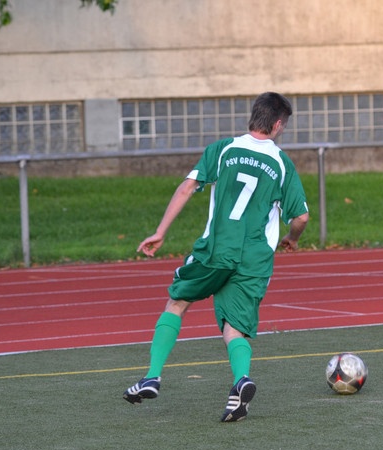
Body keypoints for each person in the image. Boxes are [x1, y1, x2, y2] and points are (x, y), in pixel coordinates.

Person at [123, 92, 309, 422]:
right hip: (253, 259)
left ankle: (152, 376)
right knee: (234, 327)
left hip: (216, 249)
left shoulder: (222, 149)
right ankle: (240, 382)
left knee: (177, 303)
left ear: (254, 115)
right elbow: (301, 217)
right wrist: (291, 238)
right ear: (278, 124)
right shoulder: (282, 164)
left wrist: (160, 231)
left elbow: (186, 188)